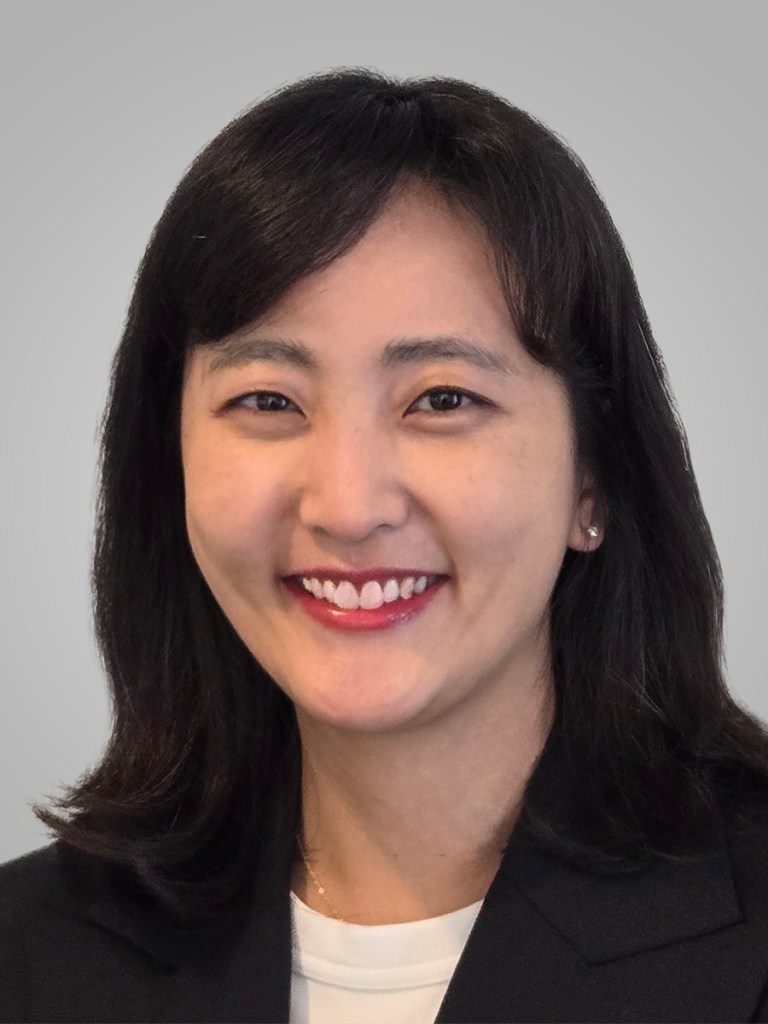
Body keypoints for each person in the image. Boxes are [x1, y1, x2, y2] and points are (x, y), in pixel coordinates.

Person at [2, 67, 768, 1024]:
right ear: (172, 465)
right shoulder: (26, 959)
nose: (348, 506)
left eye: (442, 399)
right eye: (268, 400)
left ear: (593, 479)